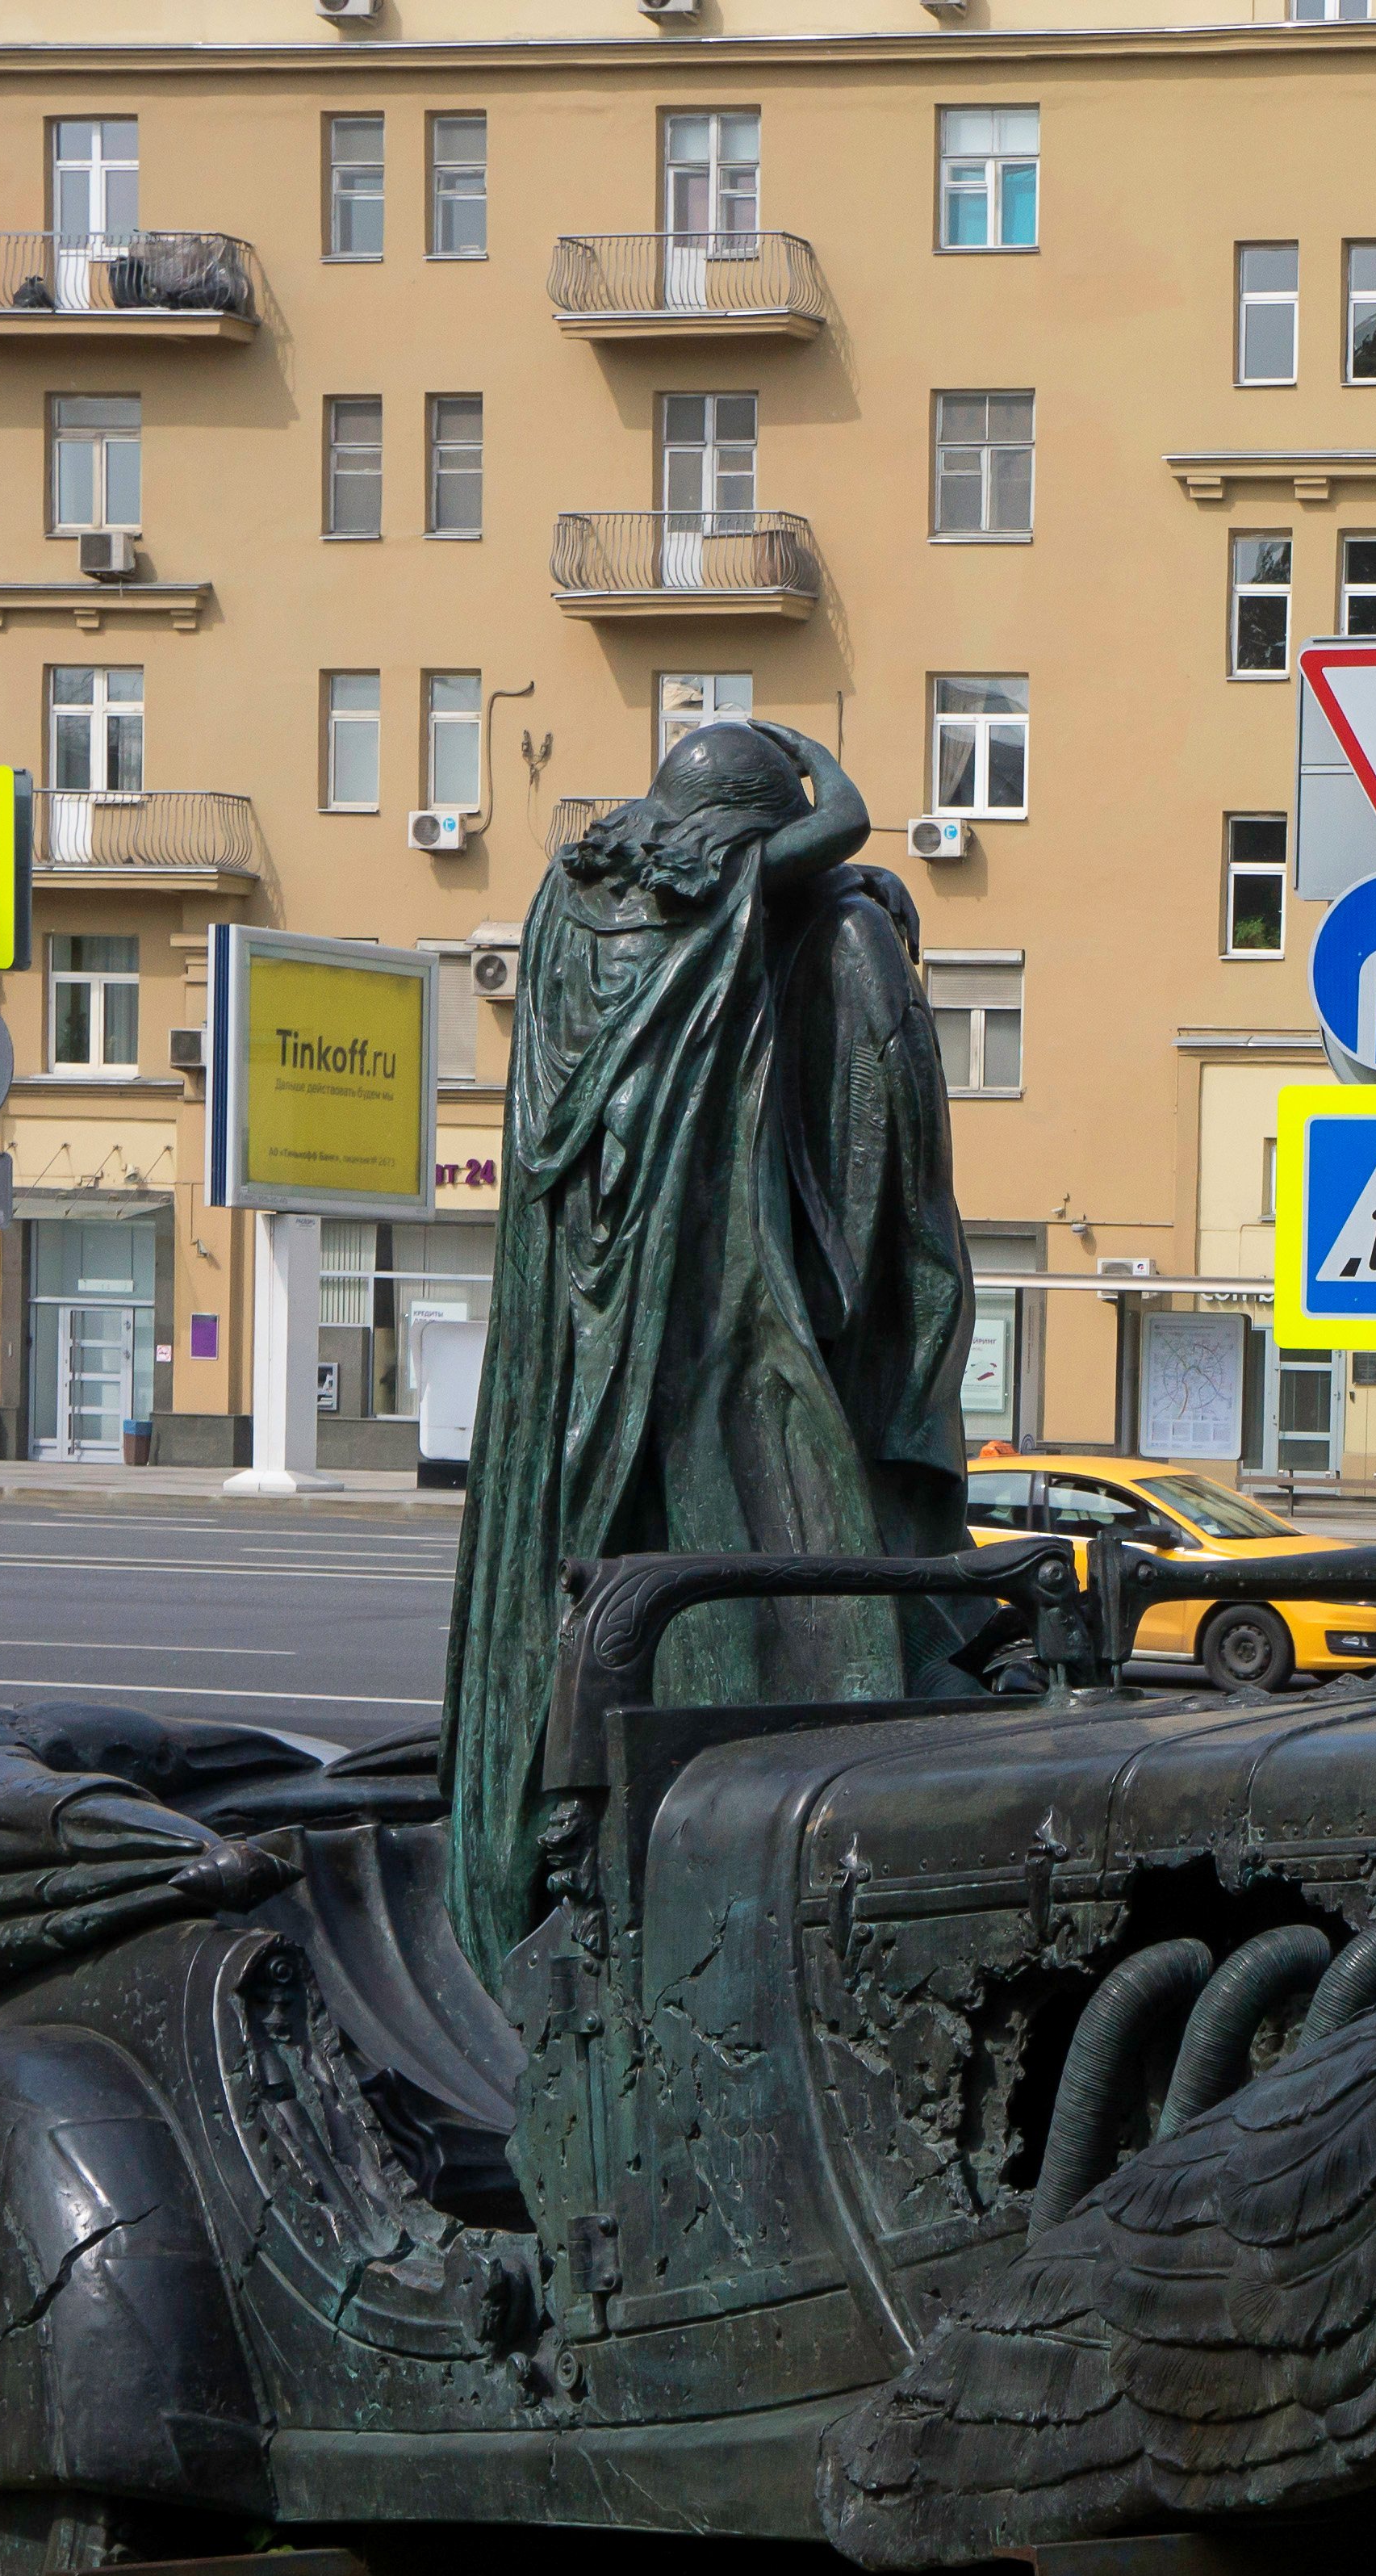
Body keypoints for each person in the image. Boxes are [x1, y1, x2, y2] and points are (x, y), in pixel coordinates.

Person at [439, 721, 979, 1977]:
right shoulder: (735, 891)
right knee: (747, 1493)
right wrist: (825, 812)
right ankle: (758, 1787)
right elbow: (841, 819)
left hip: (577, 1291)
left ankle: (545, 1813)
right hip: (695, 1278)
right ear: (744, 826)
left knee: (595, 1523)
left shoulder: (569, 904)